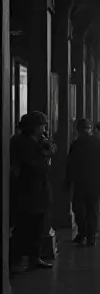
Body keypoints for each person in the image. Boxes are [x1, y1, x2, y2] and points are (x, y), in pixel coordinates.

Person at [9, 112, 55, 272]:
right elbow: (28, 164)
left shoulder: (40, 141)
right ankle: (16, 259)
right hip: (25, 190)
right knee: (23, 227)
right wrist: (43, 154)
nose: (44, 128)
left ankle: (34, 258)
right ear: (33, 127)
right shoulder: (19, 141)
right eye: (42, 125)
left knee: (37, 227)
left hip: (39, 190)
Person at [64, 117, 100, 246]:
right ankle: (90, 236)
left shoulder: (76, 144)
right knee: (92, 210)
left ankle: (82, 233)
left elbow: (70, 164)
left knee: (79, 209)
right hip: (95, 181)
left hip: (80, 182)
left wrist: (68, 181)